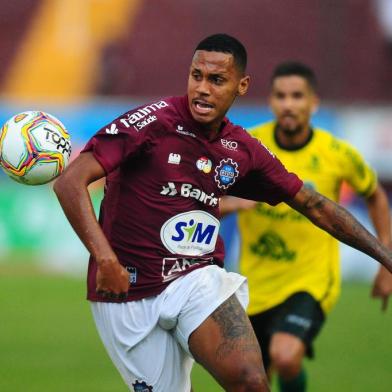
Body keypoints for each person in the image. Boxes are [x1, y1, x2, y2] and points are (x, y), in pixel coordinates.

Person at [53, 35, 392, 392]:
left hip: (195, 279)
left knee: (251, 381)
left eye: (216, 80)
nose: (202, 88)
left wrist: (385, 257)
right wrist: (105, 259)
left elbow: (314, 205)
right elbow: (69, 183)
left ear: (241, 85)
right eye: (196, 76)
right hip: (128, 289)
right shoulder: (151, 123)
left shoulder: (243, 149)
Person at [220, 61, 392, 392]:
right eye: (281, 96)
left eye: (297, 96)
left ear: (313, 103)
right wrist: (236, 203)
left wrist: (385, 262)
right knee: (248, 380)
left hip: (311, 279)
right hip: (254, 282)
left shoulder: (337, 153)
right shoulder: (247, 146)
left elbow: (376, 197)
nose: (288, 104)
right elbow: (207, 199)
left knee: (285, 355)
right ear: (270, 101)